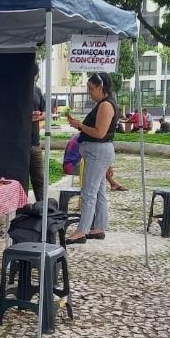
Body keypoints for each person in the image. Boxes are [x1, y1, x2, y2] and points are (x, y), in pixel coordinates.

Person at [65, 72, 118, 244]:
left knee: (88, 192)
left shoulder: (106, 105)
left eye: (91, 89)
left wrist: (80, 125)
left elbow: (99, 132)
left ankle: (82, 231)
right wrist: (80, 125)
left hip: (98, 152)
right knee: (99, 191)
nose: (89, 92)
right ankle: (98, 227)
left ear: (101, 88)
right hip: (98, 151)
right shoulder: (103, 104)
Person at [28, 63, 46, 202]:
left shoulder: (37, 90)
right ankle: (20, 209)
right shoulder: (16, 91)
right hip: (19, 144)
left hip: (35, 143)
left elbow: (45, 112)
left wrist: (39, 116)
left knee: (39, 179)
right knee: (20, 179)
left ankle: (43, 207)